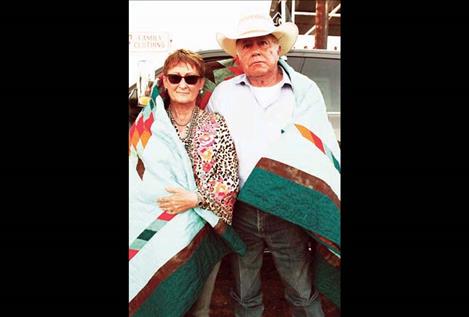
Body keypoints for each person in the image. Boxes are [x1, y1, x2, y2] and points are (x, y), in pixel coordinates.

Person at [207, 13, 340, 316]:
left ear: (277, 48)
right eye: (247, 44)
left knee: (301, 290)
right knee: (244, 291)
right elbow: (211, 151)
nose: (256, 50)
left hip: (288, 208)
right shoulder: (223, 95)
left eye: (263, 43)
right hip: (239, 208)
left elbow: (319, 149)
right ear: (238, 54)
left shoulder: (304, 91)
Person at [129, 49, 242, 317]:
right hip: (154, 229)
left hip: (200, 228)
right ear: (165, 82)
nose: (183, 84)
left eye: (191, 79)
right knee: (159, 299)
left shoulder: (215, 125)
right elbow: (133, 177)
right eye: (175, 77)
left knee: (198, 307)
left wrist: (196, 198)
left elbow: (229, 178)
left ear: (201, 83)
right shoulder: (146, 125)